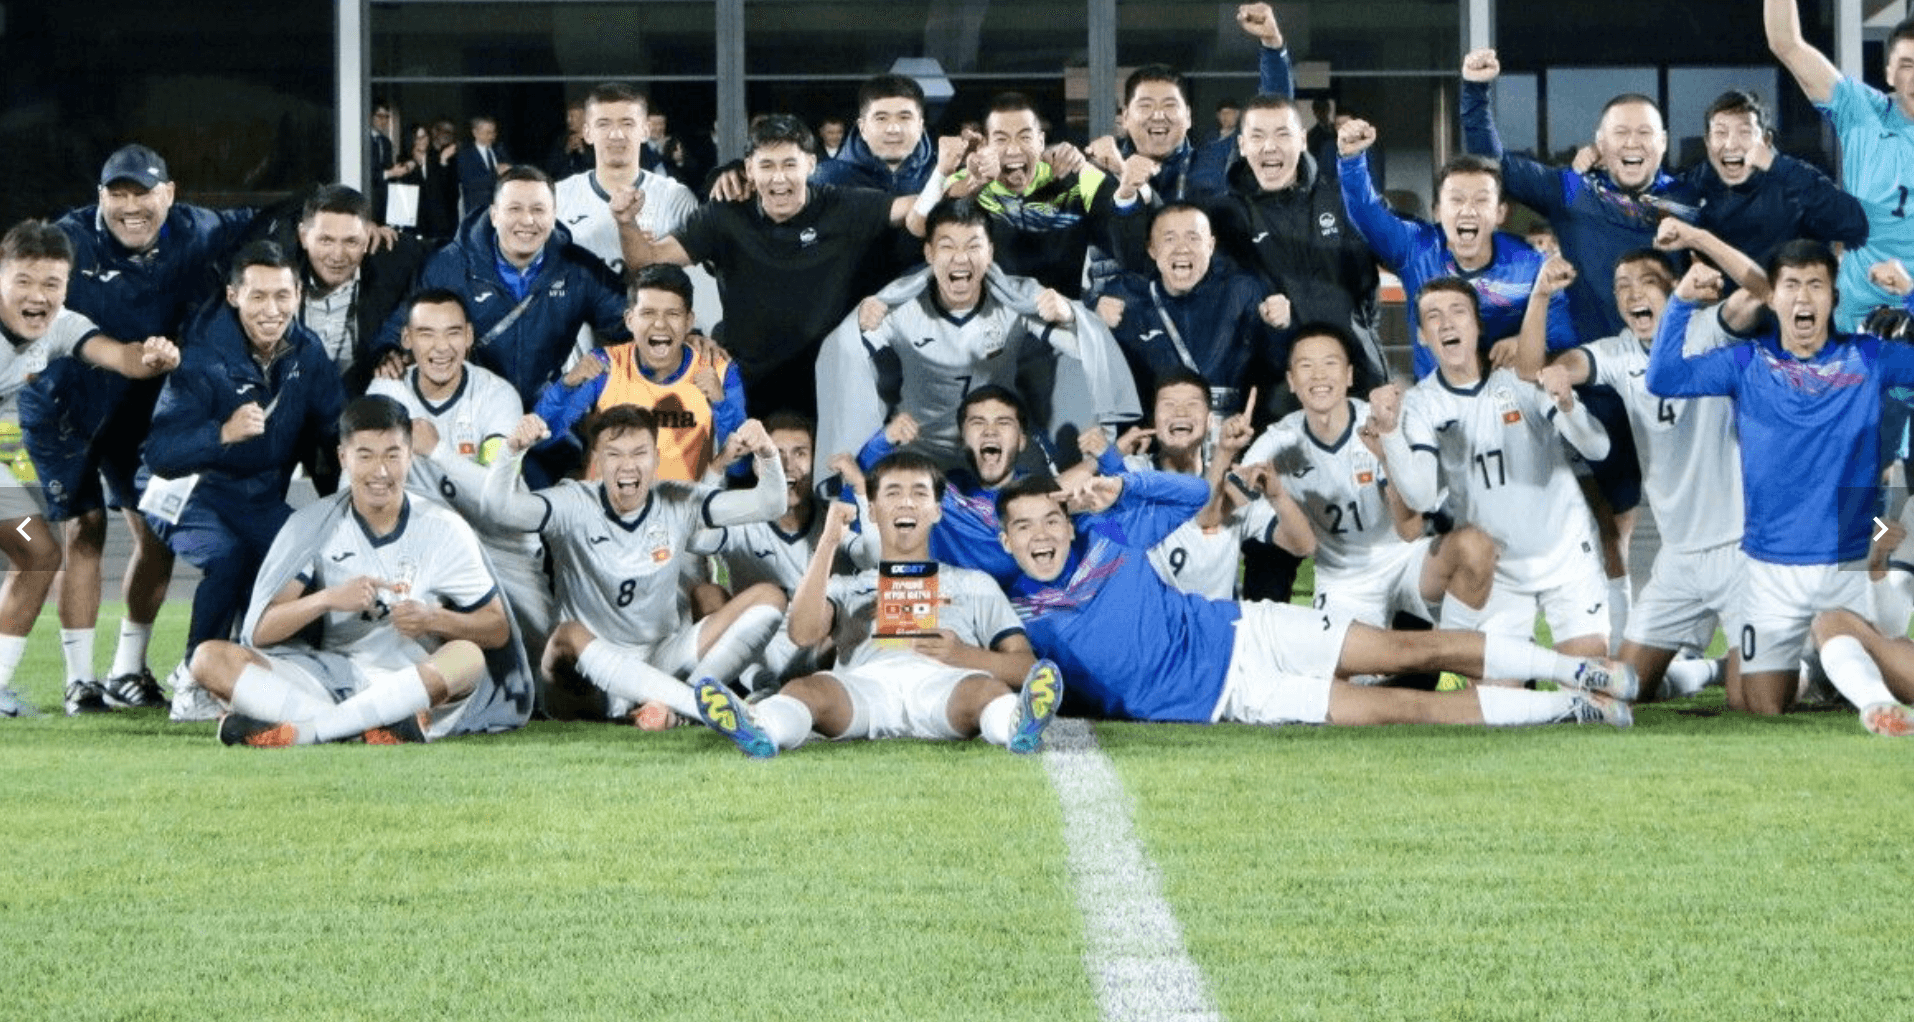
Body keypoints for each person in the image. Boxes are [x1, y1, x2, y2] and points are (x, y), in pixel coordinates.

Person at [993, 472, 1634, 727]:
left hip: (1247, 630)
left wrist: (1124, 486)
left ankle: (1581, 672)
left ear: (1068, 520)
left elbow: (1205, 499)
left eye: (1050, 519)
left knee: (1408, 649)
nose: (1041, 534)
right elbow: (1022, 672)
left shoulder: (1108, 534)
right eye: (1022, 526)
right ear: (1005, 539)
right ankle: (1572, 711)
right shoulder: (1018, 614)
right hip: (1229, 700)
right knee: (1400, 708)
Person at [1647, 238, 1914, 715]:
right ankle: (1823, 673)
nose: (1804, 297)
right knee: (1759, 707)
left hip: (1845, 561)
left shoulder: (1869, 359)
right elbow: (1664, 378)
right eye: (1791, 285)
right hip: (1769, 570)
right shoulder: (1748, 363)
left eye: (1816, 284)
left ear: (1834, 297)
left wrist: (1911, 293)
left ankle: (1862, 668)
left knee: (1852, 624)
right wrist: (1682, 301)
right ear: (1772, 296)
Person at [35, 144, 254, 711]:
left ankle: (128, 671)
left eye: (143, 192)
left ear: (170, 194)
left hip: (145, 412)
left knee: (155, 534)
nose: (131, 207)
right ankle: (79, 682)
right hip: (68, 405)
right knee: (83, 530)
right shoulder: (68, 239)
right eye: (118, 193)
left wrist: (378, 231)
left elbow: (267, 223)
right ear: (100, 197)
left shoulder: (200, 229)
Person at [191, 396, 526, 747]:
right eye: (365, 455)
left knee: (466, 658)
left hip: (410, 682)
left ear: (410, 456)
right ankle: (368, 729)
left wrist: (433, 620)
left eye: (392, 455)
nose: (380, 471)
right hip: (327, 674)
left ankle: (307, 731)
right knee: (208, 659)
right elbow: (260, 632)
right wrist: (327, 599)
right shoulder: (313, 525)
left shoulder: (444, 528)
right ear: (343, 458)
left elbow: (497, 629)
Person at [697, 452, 1063, 759]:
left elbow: (1025, 666)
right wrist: (827, 544)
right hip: (864, 688)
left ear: (936, 510)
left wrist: (965, 655)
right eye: (893, 493)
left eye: (919, 493)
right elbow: (802, 632)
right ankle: (764, 729)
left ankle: (1015, 726)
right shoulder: (848, 586)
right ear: (872, 511)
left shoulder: (973, 584)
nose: (906, 502)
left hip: (946, 685)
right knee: (804, 690)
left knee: (989, 692)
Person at [1525, 234, 1754, 700]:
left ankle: (1815, 666)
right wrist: (1551, 348)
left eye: (1648, 282)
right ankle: (1709, 668)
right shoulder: (1618, 353)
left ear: (1675, 288)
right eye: (1622, 285)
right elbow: (1548, 366)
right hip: (1678, 556)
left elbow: (1763, 289)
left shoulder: (1710, 329)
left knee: (1753, 701)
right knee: (1622, 689)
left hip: (1742, 549)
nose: (1633, 294)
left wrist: (1697, 239)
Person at [480, 406, 790, 727]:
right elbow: (497, 509)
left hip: (659, 660)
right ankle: (701, 709)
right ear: (598, 462)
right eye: (614, 455)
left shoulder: (677, 500)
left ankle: (662, 707)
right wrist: (511, 451)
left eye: (639, 453)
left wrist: (768, 455)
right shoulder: (572, 503)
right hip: (586, 680)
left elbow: (770, 504)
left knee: (769, 597)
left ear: (656, 459)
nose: (628, 466)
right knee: (565, 637)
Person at [143, 242, 347, 694]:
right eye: (258, 296)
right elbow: (160, 454)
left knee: (309, 561)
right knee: (227, 556)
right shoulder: (200, 355)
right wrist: (221, 434)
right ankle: (194, 678)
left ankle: (297, 671)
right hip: (188, 490)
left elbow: (334, 431)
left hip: (256, 495)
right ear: (234, 296)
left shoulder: (307, 353)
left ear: (298, 294)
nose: (271, 310)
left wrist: (345, 502)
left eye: (282, 295)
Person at [1372, 275, 1613, 658]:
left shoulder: (1519, 377)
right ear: (1421, 336)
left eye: (1458, 312)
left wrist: (1568, 406)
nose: (1447, 323)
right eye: (1433, 316)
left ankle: (1688, 675)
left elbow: (1598, 448)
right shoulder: (1420, 405)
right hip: (1500, 576)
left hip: (1568, 560)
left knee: (1594, 696)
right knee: (1496, 710)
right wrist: (1389, 434)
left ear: (1477, 325)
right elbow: (1418, 496)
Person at [616, 115, 914, 418]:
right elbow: (647, 262)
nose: (779, 178)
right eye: (767, 166)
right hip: (746, 381)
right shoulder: (723, 215)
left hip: (826, 382)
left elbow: (912, 208)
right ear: (748, 169)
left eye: (789, 164)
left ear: (811, 165)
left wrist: (952, 176)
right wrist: (625, 222)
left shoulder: (842, 205)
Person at [0, 221, 180, 717]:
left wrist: (153, 356)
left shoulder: (60, 326)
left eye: (52, 284)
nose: (39, 295)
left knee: (38, 552)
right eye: (24, 281)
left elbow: (120, 357)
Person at [817, 199, 1137, 467]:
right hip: (921, 447)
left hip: (1000, 445)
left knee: (1043, 507)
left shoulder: (1018, 298)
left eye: (973, 246)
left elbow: (1086, 349)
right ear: (928, 254)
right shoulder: (899, 305)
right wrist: (855, 326)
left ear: (990, 252)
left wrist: (1073, 316)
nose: (960, 258)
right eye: (947, 246)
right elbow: (843, 355)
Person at [1243, 324, 1500, 633]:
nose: (1319, 375)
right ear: (1291, 381)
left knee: (1474, 545)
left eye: (1330, 363)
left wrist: (1387, 459)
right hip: (1342, 582)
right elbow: (1240, 502)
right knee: (1349, 677)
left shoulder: (1382, 423)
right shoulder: (1277, 441)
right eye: (1306, 366)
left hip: (1406, 563)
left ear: (1349, 375)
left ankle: (1459, 643)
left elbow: (1411, 529)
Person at [366, 289, 552, 670]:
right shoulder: (387, 393)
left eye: (452, 333)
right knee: (391, 638)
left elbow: (495, 496)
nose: (441, 347)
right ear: (407, 340)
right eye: (426, 334)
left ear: (469, 336)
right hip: (425, 545)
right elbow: (357, 483)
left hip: (499, 540)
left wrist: (437, 451)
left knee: (543, 661)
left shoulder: (497, 396)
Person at [375, 166, 628, 421]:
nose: (527, 220)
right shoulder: (451, 265)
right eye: (514, 209)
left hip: (540, 412)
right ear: (494, 215)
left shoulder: (578, 269)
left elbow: (626, 320)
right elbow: (404, 323)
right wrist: (387, 354)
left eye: (538, 210)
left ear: (553, 216)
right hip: (469, 412)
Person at [1336, 121, 1573, 378]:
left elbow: (1562, 335)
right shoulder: (1418, 249)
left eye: (1481, 200)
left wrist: (1523, 341)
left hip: (1508, 405)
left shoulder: (1532, 265)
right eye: (1457, 199)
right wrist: (1351, 161)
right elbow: (1368, 215)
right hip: (1438, 407)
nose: (1468, 210)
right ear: (1437, 211)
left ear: (1500, 213)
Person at [1206, 94, 1387, 391]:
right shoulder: (1223, 218)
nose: (1269, 146)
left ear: (1302, 140)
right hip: (1271, 392)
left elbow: (1404, 245)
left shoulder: (1344, 202)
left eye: (1282, 134)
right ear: (1241, 146)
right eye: (1257, 136)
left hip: (1354, 381)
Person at [1092, 372, 1312, 601]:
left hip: (1213, 630)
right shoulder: (1131, 472)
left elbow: (1302, 546)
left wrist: (1277, 496)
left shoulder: (1235, 486)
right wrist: (1103, 456)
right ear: (1154, 421)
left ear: (1210, 420)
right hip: (1145, 629)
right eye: (1168, 405)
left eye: (1192, 404)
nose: (1180, 412)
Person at [1766, 2, 1914, 330]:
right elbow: (1785, 41)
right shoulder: (1863, 112)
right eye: (1907, 64)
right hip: (1858, 325)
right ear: (1889, 71)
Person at [533, 263, 744, 482]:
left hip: (682, 509)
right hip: (612, 508)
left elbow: (740, 467)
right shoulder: (604, 366)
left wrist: (721, 403)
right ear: (630, 320)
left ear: (688, 321)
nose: (660, 324)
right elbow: (542, 439)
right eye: (648, 313)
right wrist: (566, 385)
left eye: (672, 313)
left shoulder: (718, 370)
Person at [1088, 203, 1290, 418]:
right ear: (1152, 249)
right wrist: (1093, 318)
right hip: (1161, 437)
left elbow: (1276, 366)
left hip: (1232, 431)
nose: (1182, 248)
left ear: (1211, 246)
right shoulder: (1126, 296)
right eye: (1169, 239)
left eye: (1193, 238)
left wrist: (1279, 327)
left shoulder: (1241, 292)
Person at [924, 92, 1134, 298]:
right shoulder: (963, 183)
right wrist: (973, 185)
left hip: (1061, 319)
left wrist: (1121, 171)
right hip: (986, 322)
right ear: (985, 145)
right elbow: (932, 233)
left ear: (1041, 142)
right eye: (1001, 139)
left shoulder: (1080, 177)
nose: (1013, 149)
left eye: (1025, 137)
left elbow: (1132, 244)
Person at [246, 185, 426, 395]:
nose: (337, 256)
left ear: (367, 238)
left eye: (351, 241)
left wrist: (393, 345)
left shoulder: (394, 259)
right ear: (304, 237)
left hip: (361, 405)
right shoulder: (275, 271)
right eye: (326, 240)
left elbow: (449, 261)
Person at [1678, 89, 1866, 276]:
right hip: (1719, 302)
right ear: (1707, 142)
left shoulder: (1792, 184)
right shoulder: (1698, 182)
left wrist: (1774, 164)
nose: (1731, 144)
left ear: (1766, 140)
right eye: (1720, 133)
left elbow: (1853, 223)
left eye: (1744, 132)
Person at [553, 83, 698, 280]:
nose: (616, 135)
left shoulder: (675, 198)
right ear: (587, 133)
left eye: (627, 123)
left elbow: (698, 280)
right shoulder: (559, 197)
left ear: (645, 131)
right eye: (603, 124)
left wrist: (656, 254)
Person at [457, 115, 512, 217]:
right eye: (488, 133)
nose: (492, 136)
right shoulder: (465, 155)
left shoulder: (499, 150)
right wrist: (496, 174)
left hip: (500, 210)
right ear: (475, 133)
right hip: (477, 210)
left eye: (493, 132)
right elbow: (469, 182)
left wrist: (509, 171)